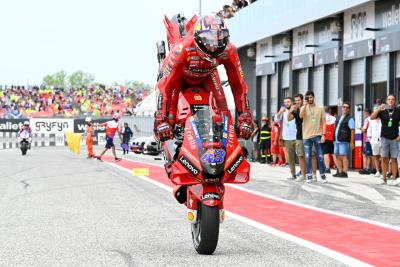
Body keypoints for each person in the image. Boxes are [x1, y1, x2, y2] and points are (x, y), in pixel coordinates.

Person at [154, 15, 254, 143]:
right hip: (180, 77)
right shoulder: (181, 49)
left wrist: (245, 119)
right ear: (198, 38)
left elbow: (238, 85)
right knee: (170, 117)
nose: (214, 46)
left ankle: (227, 145)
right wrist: (162, 119)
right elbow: (164, 86)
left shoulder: (229, 50)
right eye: (209, 40)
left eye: (219, 39)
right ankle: (169, 134)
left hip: (208, 75)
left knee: (224, 110)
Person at [370, 95, 400, 185]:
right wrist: (379, 109)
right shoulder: (382, 111)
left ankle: (394, 179)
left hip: (395, 138)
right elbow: (371, 117)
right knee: (384, 158)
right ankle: (384, 178)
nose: (391, 101)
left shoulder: (398, 111)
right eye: (389, 99)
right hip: (384, 138)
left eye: (392, 99)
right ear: (386, 101)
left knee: (394, 159)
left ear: (395, 101)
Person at [299, 91, 327, 183]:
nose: (309, 99)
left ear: (314, 97)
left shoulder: (320, 108)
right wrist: (305, 105)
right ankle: (309, 176)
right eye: (307, 98)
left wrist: (324, 134)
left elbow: (324, 122)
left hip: (318, 135)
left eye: (311, 97)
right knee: (307, 157)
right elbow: (300, 116)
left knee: (320, 156)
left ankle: (323, 176)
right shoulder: (303, 108)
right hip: (306, 136)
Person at [275, 97, 297, 179]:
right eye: (285, 102)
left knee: (301, 156)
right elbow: (276, 120)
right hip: (287, 137)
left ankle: (304, 173)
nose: (286, 103)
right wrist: (280, 112)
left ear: (292, 102)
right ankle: (293, 174)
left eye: (288, 102)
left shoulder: (295, 110)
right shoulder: (283, 112)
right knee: (290, 157)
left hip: (297, 136)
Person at [333, 102, 355, 178]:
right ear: (342, 108)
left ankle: (345, 172)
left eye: (347, 107)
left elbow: (352, 130)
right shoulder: (339, 117)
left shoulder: (350, 119)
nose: (345, 108)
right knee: (336, 155)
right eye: (344, 107)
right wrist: (334, 139)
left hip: (344, 140)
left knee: (344, 156)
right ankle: (340, 171)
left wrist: (352, 142)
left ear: (349, 109)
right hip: (337, 140)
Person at [288, 94, 306, 181]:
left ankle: (311, 174)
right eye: (296, 101)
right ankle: (303, 175)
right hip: (299, 136)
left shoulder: (306, 108)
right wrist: (290, 111)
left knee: (310, 156)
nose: (297, 102)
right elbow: (289, 119)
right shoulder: (295, 110)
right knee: (301, 156)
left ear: (302, 100)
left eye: (299, 100)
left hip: (308, 135)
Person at [367, 106, 382, 177]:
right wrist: (371, 141)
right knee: (376, 156)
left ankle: (384, 171)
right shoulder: (371, 121)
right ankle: (378, 171)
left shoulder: (382, 119)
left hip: (382, 141)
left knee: (383, 157)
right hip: (374, 141)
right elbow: (369, 131)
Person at [321, 107, 336, 174]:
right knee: (333, 153)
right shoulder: (334, 118)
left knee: (325, 153)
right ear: (329, 111)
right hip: (332, 138)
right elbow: (335, 128)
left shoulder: (322, 118)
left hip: (324, 137)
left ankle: (327, 168)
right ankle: (338, 167)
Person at [359, 108, 373, 174]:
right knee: (369, 154)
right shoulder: (372, 119)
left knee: (368, 155)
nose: (363, 114)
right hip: (371, 139)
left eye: (364, 113)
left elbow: (364, 129)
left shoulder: (367, 119)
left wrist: (361, 128)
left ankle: (367, 168)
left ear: (367, 112)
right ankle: (371, 168)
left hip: (367, 139)